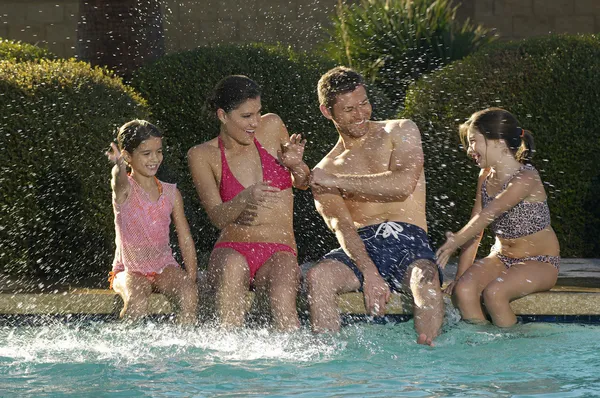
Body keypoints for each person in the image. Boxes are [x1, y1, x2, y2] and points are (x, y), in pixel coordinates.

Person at [306, 66, 444, 345]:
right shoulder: (326, 167)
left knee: (425, 281)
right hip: (362, 245)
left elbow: (403, 184)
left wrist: (335, 181)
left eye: (364, 103)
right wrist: (369, 273)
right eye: (348, 109)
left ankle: (428, 361)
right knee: (319, 277)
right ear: (327, 112)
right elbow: (342, 227)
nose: (360, 115)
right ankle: (329, 363)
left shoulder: (401, 130)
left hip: (409, 240)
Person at [188, 75, 310, 331]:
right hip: (233, 248)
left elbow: (303, 183)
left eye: (258, 113)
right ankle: (230, 364)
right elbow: (217, 217)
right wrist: (244, 198)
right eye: (246, 116)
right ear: (222, 115)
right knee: (232, 273)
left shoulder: (273, 126)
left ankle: (291, 369)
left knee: (283, 304)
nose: (255, 122)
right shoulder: (202, 155)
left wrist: (296, 165)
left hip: (279, 249)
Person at [436, 108, 560, 327]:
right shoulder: (485, 176)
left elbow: (489, 214)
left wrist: (455, 239)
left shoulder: (526, 177)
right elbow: (477, 229)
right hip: (501, 258)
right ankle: (483, 345)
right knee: (464, 291)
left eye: (474, 141)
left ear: (498, 142)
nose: (470, 150)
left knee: (494, 293)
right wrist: (459, 278)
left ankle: (510, 348)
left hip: (539, 262)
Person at [106, 120, 198, 324]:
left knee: (189, 295)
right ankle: (128, 348)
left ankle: (183, 350)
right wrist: (119, 167)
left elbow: (184, 237)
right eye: (146, 153)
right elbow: (117, 180)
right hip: (129, 269)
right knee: (137, 302)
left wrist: (190, 279)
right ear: (128, 156)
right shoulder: (125, 190)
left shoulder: (171, 193)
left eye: (158, 152)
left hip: (163, 266)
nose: (154, 158)